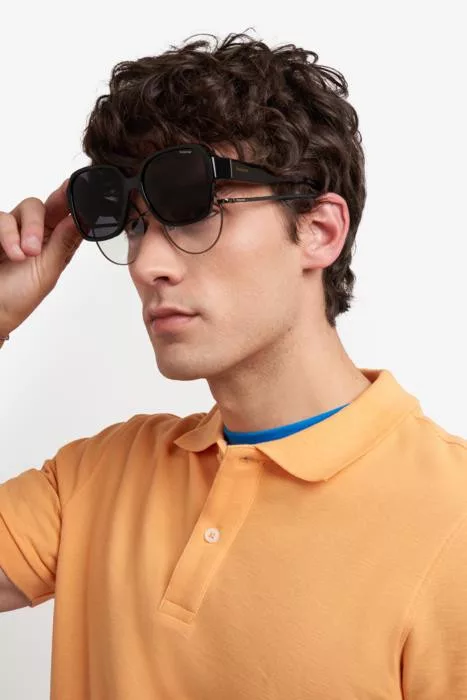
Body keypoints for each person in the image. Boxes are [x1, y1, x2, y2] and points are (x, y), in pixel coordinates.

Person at [0, 31, 466, 700]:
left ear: (318, 231)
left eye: (194, 211)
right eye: (135, 225)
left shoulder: (452, 518)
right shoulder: (100, 475)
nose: (147, 264)